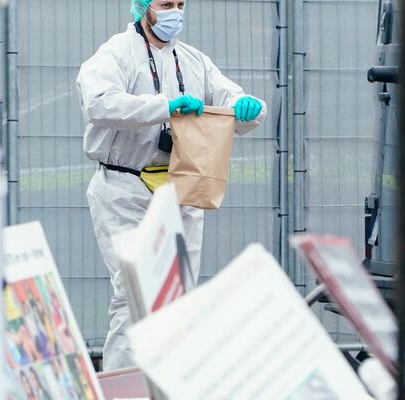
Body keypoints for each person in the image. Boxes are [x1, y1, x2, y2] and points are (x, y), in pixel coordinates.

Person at [76, 0, 267, 371]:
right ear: (142, 7)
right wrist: (164, 107)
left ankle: (169, 385)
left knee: (178, 301)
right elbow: (98, 104)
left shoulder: (193, 60)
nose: (174, 12)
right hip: (125, 187)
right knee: (136, 297)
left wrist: (248, 106)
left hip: (182, 187)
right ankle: (123, 389)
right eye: (166, 4)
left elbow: (238, 102)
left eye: (180, 4)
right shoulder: (116, 54)